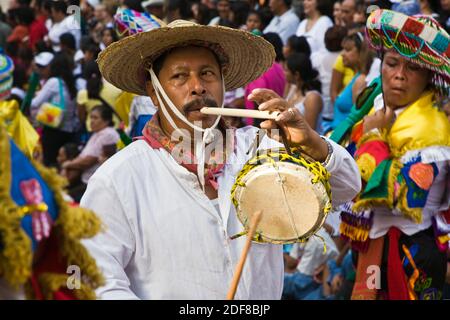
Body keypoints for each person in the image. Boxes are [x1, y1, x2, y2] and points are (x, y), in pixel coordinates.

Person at [80, 19, 361, 299]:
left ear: (223, 83)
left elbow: (346, 187)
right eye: (179, 76)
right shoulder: (118, 178)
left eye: (207, 74)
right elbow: (98, 281)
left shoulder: (263, 148)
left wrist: (312, 144)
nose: (198, 87)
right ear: (154, 93)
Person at [340, 9, 450, 300]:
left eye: (412, 68)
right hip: (373, 245)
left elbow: (397, 195)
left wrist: (374, 136)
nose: (399, 75)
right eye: (391, 63)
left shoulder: (432, 128)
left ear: (428, 76)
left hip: (411, 252)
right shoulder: (377, 106)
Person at [30, 53, 80, 167]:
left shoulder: (54, 82)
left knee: (49, 164)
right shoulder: (71, 83)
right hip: (69, 131)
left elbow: (35, 103)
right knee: (61, 165)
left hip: (53, 130)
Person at [62, 104, 119, 185]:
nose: (91, 121)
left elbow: (89, 161)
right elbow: (83, 156)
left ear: (106, 121)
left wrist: (68, 164)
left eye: (95, 118)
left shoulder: (108, 134)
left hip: (95, 183)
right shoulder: (97, 133)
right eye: (91, 117)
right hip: (87, 179)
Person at [330, 32, 374, 130]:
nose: (342, 54)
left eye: (348, 50)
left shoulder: (361, 80)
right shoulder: (356, 77)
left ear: (361, 52)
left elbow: (357, 118)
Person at [284, 53, 323, 133]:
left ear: (296, 75)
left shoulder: (312, 97)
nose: (284, 73)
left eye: (286, 70)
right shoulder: (292, 88)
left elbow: (309, 132)